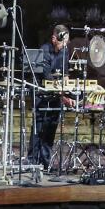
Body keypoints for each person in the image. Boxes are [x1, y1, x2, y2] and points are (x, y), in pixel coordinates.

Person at [29, 24, 72, 167]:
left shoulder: (65, 50)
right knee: (38, 126)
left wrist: (67, 91)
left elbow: (65, 74)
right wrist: (62, 96)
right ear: (54, 38)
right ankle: (33, 160)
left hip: (57, 92)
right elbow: (47, 77)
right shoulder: (44, 50)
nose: (64, 45)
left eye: (66, 42)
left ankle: (45, 161)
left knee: (51, 126)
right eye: (62, 42)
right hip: (41, 91)